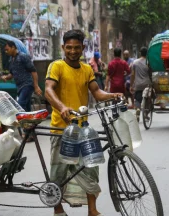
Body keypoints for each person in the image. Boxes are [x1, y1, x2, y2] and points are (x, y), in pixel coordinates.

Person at [45, 29, 122, 216]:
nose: (72, 51)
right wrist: (62, 107)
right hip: (61, 129)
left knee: (91, 167)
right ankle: (58, 209)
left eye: (77, 48)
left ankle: (92, 210)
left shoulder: (87, 69)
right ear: (63, 47)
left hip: (82, 128)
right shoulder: (56, 67)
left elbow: (96, 92)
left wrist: (112, 95)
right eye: (69, 47)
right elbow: (48, 90)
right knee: (59, 172)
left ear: (83, 49)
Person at [2, 40, 42, 112]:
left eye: (7, 49)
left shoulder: (23, 56)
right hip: (19, 87)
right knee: (26, 107)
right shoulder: (11, 60)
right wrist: (6, 77)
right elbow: (12, 73)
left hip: (27, 85)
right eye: (5, 50)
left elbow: (33, 71)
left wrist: (36, 86)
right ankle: (31, 121)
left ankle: (21, 122)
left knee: (20, 105)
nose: (6, 52)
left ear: (13, 47)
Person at [130, 47, 151, 121]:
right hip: (147, 84)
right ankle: (146, 114)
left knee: (138, 99)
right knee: (148, 99)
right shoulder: (149, 62)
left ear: (140, 53)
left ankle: (138, 110)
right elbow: (151, 73)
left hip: (138, 84)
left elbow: (132, 74)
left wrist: (131, 85)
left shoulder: (135, 62)